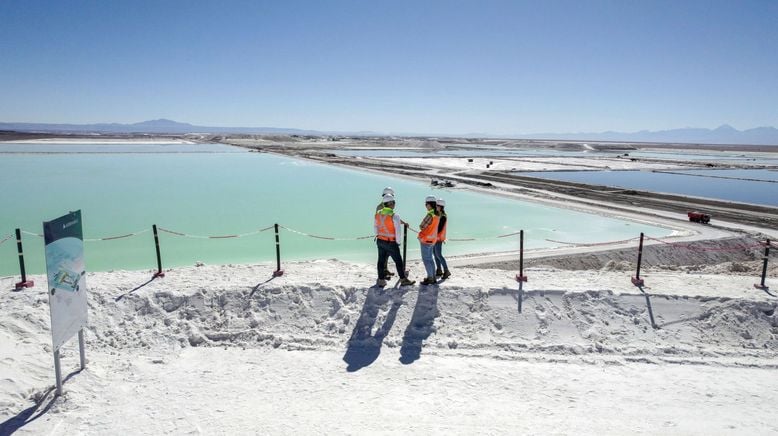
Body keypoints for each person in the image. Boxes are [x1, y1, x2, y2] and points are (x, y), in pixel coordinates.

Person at [374, 194, 415, 287]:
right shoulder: (394, 215)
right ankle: (403, 279)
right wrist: (398, 242)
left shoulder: (378, 214)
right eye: (394, 203)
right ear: (391, 203)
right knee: (398, 261)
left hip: (380, 240)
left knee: (380, 261)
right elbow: (398, 231)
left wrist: (378, 235)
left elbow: (375, 227)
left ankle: (381, 280)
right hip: (390, 242)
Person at [417, 195, 440, 285]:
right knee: (430, 259)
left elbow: (422, 226)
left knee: (426, 260)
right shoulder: (437, 214)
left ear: (429, 205)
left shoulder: (430, 214)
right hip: (432, 240)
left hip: (426, 240)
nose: (425, 206)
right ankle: (433, 277)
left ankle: (430, 278)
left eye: (426, 204)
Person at [376, 187, 396, 278]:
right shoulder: (382, 207)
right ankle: (383, 273)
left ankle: (385, 270)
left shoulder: (381, 206)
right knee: (383, 256)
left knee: (385, 256)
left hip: (383, 235)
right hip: (385, 236)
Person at [434, 198, 450, 279]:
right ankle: (439, 270)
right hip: (435, 238)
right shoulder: (439, 215)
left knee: (439, 255)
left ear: (440, 206)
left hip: (438, 238)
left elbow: (439, 228)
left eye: (437, 205)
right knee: (435, 255)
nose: (435, 207)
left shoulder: (442, 216)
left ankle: (446, 271)